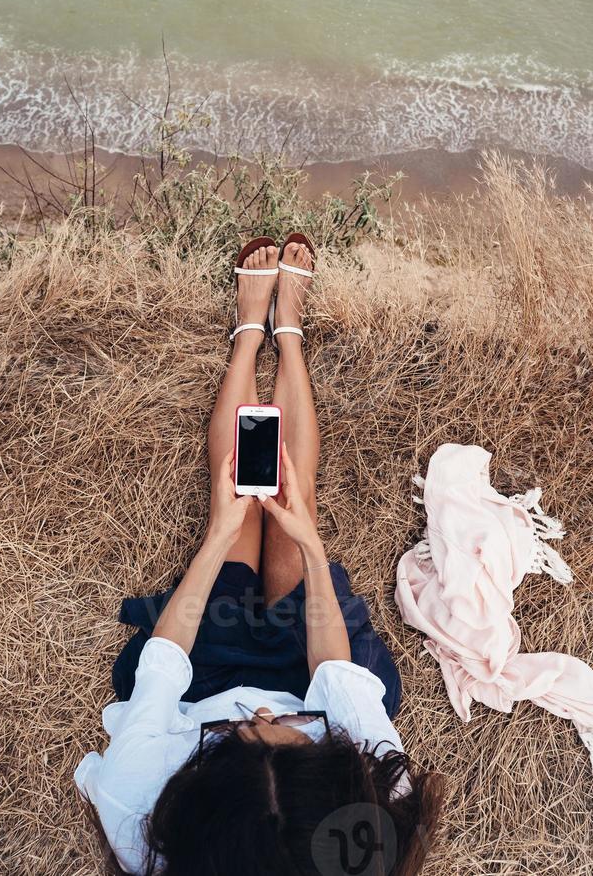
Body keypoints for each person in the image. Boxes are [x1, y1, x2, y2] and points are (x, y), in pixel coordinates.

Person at [75, 235, 444, 876]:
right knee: (290, 526)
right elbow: (332, 672)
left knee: (241, 516)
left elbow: (165, 661)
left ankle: (250, 334)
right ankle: (289, 331)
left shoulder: (136, 800)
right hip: (317, 686)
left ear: (196, 799)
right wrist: (311, 542)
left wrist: (218, 537)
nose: (263, 711)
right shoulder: (375, 804)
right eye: (287, 734)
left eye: (243, 734)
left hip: (200, 685)